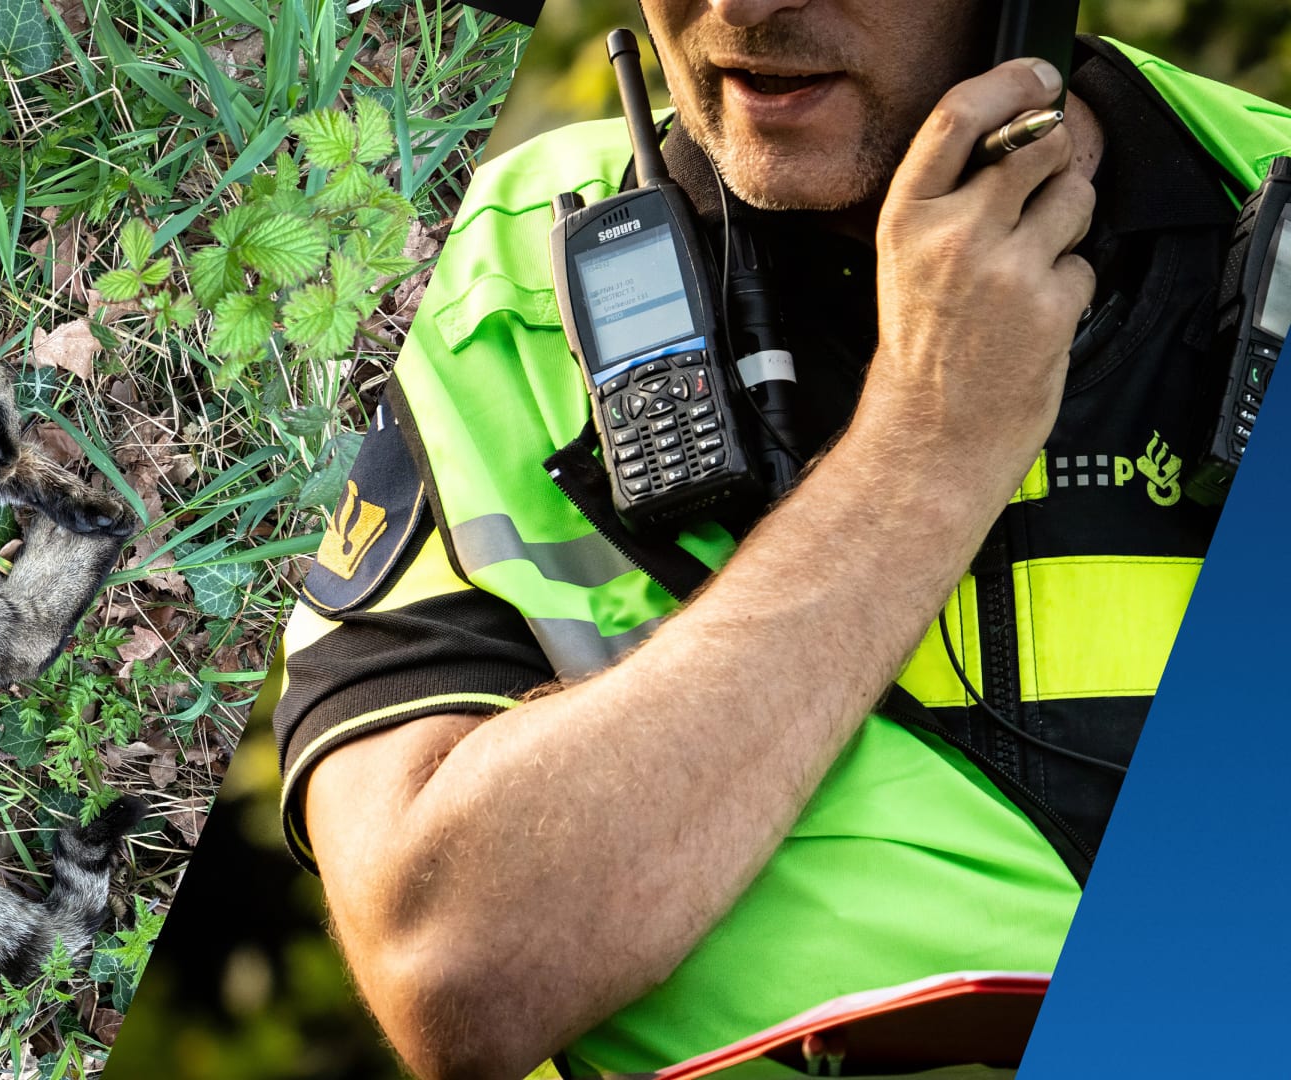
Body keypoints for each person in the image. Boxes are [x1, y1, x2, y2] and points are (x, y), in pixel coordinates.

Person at [263, 2, 1291, 1078]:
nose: (746, 9)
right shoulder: (480, 259)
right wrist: (924, 448)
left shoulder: (1259, 180)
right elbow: (454, 969)